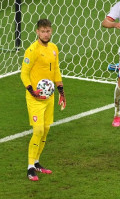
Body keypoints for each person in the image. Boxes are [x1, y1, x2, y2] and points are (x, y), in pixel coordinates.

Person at [21, 19, 66, 181]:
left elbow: (56, 70)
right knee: (38, 130)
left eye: (48, 31)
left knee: (46, 129)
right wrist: (31, 90)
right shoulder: (32, 50)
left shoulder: (54, 48)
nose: (45, 34)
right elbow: (23, 73)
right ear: (37, 32)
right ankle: (30, 167)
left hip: (49, 97)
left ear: (51, 31)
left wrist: (61, 90)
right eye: (42, 31)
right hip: (35, 98)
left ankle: (37, 162)